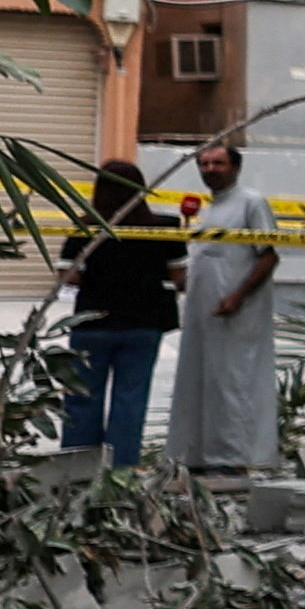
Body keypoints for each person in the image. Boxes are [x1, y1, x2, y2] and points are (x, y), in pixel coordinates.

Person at [168, 141, 283, 475]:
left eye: (217, 163)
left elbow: (269, 255)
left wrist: (238, 296)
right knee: (203, 383)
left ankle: (236, 459)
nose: (209, 170)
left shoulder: (251, 203)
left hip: (238, 313)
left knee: (236, 384)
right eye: (203, 164)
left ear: (235, 167)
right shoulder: (208, 208)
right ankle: (200, 456)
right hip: (204, 313)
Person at [57, 161, 176, 469]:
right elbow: (179, 276)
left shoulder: (85, 227)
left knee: (82, 399)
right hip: (144, 324)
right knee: (130, 401)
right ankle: (120, 472)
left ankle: (77, 469)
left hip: (92, 323)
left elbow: (68, 275)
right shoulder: (165, 228)